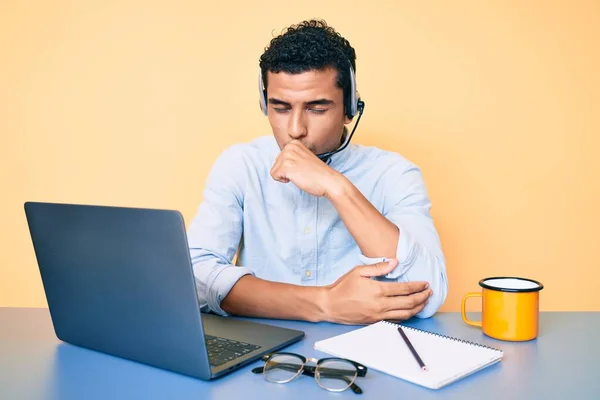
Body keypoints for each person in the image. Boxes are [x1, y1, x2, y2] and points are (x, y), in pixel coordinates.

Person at [187, 19, 448, 325]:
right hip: (265, 350)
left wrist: (336, 187)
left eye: (317, 109)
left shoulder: (395, 174)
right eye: (281, 108)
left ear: (350, 108)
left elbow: (427, 294)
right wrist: (324, 303)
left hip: (365, 353)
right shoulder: (240, 164)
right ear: (264, 105)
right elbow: (195, 277)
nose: (295, 130)